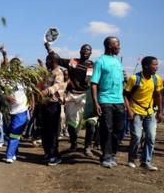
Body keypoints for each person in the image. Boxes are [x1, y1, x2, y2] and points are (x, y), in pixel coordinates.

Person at [45, 43, 93, 152]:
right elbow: (57, 59)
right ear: (80, 51)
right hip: (72, 96)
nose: (86, 51)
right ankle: (74, 144)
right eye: (84, 49)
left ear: (91, 53)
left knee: (90, 123)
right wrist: (49, 49)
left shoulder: (92, 66)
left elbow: (91, 81)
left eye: (88, 50)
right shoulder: (73, 62)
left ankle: (87, 147)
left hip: (85, 96)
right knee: (71, 124)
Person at [90, 36, 124, 168]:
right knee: (107, 129)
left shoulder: (117, 62)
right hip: (105, 100)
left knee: (119, 129)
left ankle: (113, 154)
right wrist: (96, 103)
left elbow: (121, 82)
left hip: (119, 101)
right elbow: (94, 84)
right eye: (117, 44)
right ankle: (106, 156)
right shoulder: (100, 62)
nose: (119, 47)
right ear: (110, 46)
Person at [124, 56, 163, 171]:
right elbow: (125, 95)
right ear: (146, 66)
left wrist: (159, 111)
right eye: (154, 65)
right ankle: (132, 159)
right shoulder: (134, 79)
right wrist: (129, 110)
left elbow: (158, 95)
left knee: (151, 137)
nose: (156, 67)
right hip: (135, 111)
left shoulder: (156, 79)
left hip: (150, 112)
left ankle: (146, 161)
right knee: (136, 136)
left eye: (157, 65)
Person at [40, 53, 67, 166]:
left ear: (53, 61)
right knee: (45, 131)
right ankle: (47, 153)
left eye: (47, 60)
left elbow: (56, 87)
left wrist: (44, 92)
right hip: (45, 105)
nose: (46, 62)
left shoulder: (59, 72)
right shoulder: (49, 72)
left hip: (53, 106)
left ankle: (54, 155)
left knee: (52, 132)